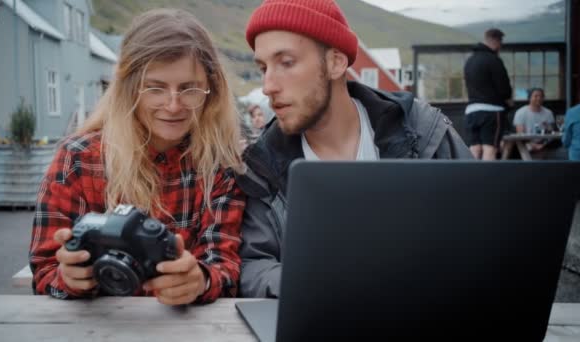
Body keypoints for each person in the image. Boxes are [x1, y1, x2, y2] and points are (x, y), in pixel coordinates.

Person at [236, 0, 473, 298]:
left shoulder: (423, 130)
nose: (268, 85)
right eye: (263, 67)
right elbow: (252, 265)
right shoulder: (261, 166)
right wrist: (321, 283)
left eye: (286, 62)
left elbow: (485, 229)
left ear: (336, 63)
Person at [29, 8, 246, 305]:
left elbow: (226, 267)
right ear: (130, 89)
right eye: (155, 88)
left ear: (211, 91)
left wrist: (200, 280)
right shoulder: (78, 160)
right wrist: (69, 278)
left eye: (189, 89)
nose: (173, 106)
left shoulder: (220, 164)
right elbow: (44, 271)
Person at [464, 28, 513, 160]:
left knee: (475, 148)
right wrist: (509, 101)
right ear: (497, 41)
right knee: (489, 148)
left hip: (471, 110)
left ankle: (472, 179)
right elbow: (504, 89)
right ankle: (487, 180)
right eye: (501, 42)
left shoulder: (470, 61)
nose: (501, 46)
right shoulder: (494, 60)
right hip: (491, 111)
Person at [513, 88, 556, 153]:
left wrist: (543, 144)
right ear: (529, 98)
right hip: (526, 143)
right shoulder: (520, 112)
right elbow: (520, 134)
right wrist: (532, 144)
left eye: (541, 96)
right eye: (535, 96)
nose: (539, 98)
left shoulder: (548, 113)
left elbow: (551, 133)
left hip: (544, 143)